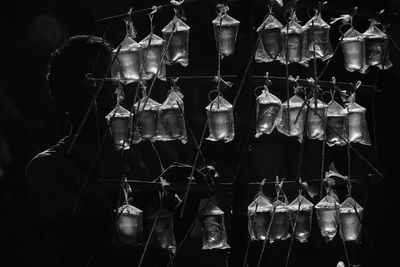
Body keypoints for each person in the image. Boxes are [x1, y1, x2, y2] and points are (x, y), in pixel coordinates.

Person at [24, 35, 168, 267]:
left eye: (112, 84)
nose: (109, 94)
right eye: (93, 86)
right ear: (64, 98)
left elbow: (166, 233)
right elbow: (79, 236)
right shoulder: (48, 167)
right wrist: (144, 200)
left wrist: (192, 195)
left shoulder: (142, 149)